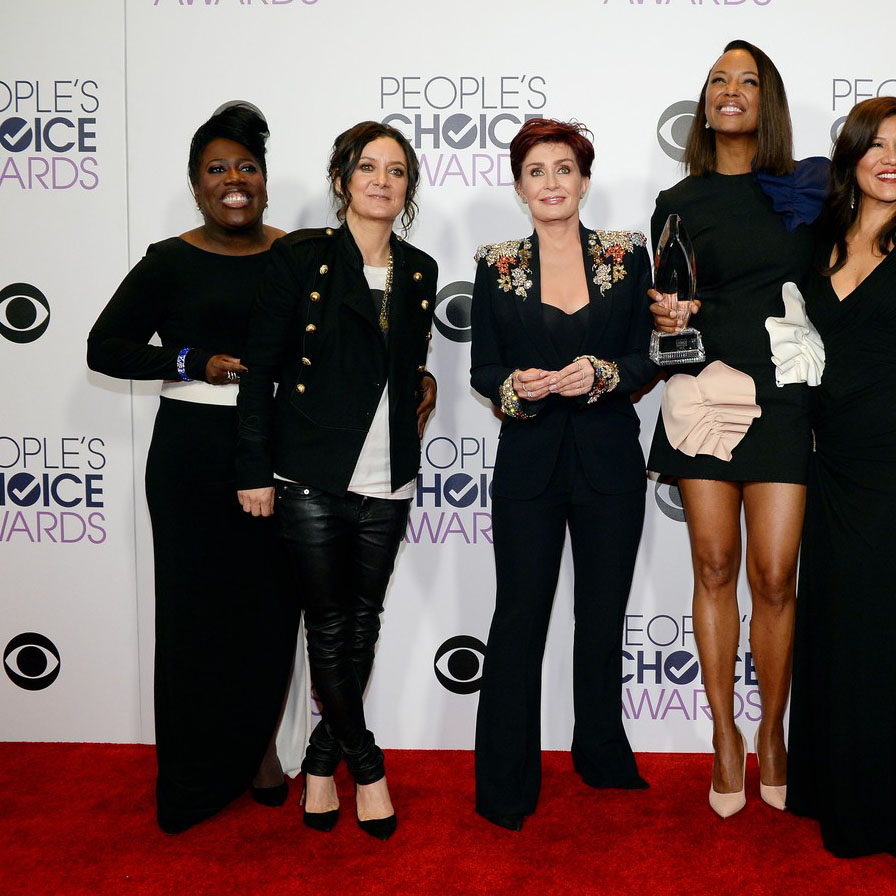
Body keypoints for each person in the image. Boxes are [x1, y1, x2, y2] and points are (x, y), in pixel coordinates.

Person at [87, 103, 299, 833]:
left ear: (265, 183)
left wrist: (416, 377)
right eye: (217, 168)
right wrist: (191, 362)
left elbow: (336, 348)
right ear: (195, 184)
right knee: (193, 617)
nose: (234, 180)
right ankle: (190, 768)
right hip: (189, 457)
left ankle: (261, 749)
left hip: (277, 453)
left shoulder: (296, 254)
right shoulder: (167, 261)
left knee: (272, 611)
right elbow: (106, 348)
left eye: (247, 167)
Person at [235, 121, 437, 841]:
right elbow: (260, 372)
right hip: (312, 470)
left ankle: (322, 763)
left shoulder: (420, 270)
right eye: (369, 168)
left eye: (397, 171)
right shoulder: (299, 259)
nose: (383, 180)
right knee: (328, 623)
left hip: (390, 474)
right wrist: (253, 468)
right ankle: (368, 765)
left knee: (362, 626)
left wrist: (425, 379)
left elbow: (404, 364)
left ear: (408, 188)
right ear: (343, 178)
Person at [647, 40, 827, 817]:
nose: (730, 91)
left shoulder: (808, 191)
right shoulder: (676, 202)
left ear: (767, 101)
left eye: (747, 81)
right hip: (704, 395)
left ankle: (774, 733)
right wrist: (667, 313)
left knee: (777, 577)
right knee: (715, 568)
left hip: (785, 397)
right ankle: (725, 736)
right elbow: (663, 310)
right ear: (704, 101)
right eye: (718, 80)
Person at [470, 118, 654, 832]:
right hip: (527, 465)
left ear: (584, 178)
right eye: (536, 172)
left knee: (602, 615)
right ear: (519, 188)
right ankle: (508, 778)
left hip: (610, 461)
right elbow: (482, 368)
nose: (552, 183)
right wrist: (516, 385)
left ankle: (601, 754)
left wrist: (606, 373)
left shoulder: (626, 252)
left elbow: (646, 358)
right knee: (519, 618)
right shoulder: (496, 263)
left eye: (564, 169)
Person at [786, 96, 896, 858]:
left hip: (894, 468)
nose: (892, 160)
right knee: (836, 627)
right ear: (853, 155)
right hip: (829, 468)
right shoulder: (814, 242)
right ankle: (836, 791)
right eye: (879, 144)